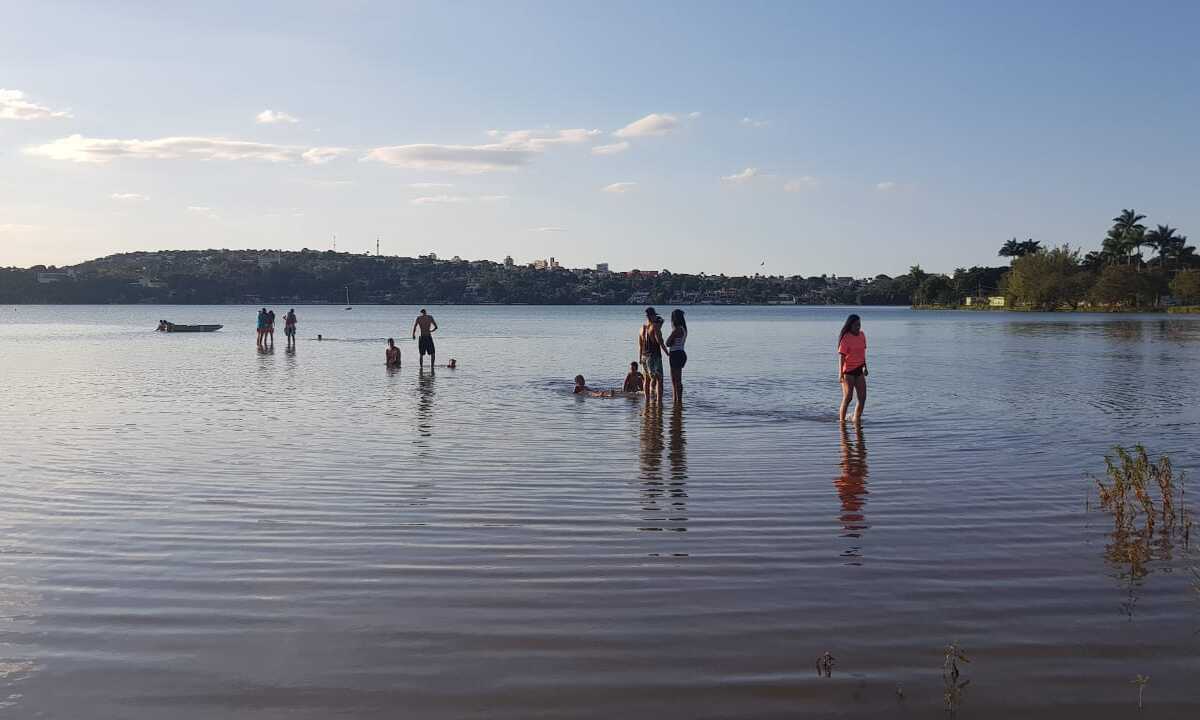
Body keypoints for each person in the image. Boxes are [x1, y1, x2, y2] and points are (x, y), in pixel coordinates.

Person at [837, 313, 868, 424]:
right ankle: (842, 422)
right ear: (850, 325)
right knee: (848, 397)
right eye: (856, 325)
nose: (858, 327)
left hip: (859, 370)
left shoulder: (862, 335)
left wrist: (865, 367)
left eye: (859, 325)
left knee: (862, 398)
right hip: (848, 372)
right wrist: (840, 374)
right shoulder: (846, 338)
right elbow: (841, 357)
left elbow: (862, 353)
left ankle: (856, 419)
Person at [638, 307, 666, 403]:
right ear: (653, 316)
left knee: (646, 380)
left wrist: (640, 358)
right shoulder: (655, 326)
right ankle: (659, 402)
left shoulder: (642, 328)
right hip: (654, 356)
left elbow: (640, 345)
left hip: (644, 356)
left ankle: (647, 401)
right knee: (659, 380)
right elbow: (660, 341)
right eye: (655, 315)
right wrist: (667, 353)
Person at [665, 309, 688, 404]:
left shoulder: (677, 329)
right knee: (678, 380)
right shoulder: (684, 328)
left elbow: (667, 342)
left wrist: (671, 341)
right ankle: (678, 401)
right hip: (681, 352)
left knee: (675, 381)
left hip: (675, 354)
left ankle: (677, 400)